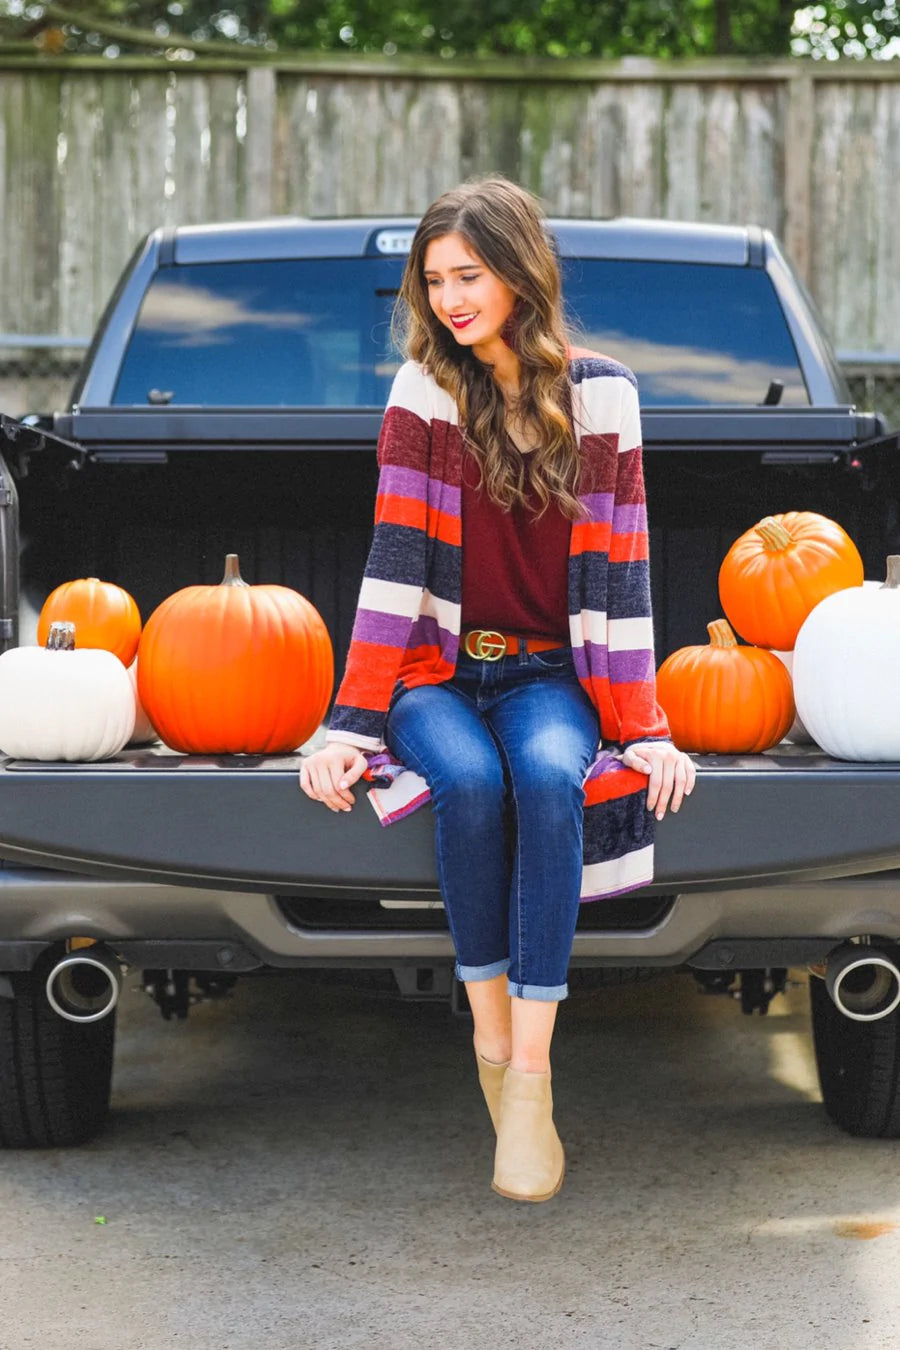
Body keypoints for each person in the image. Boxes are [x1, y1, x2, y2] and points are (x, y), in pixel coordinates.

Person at [300, 174, 695, 1203]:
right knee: (472, 788)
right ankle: (493, 1051)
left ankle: (533, 1073)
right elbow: (392, 564)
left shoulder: (603, 394)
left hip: (547, 674)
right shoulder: (422, 394)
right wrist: (347, 722)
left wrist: (644, 725)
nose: (449, 299)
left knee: (554, 779)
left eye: (468, 275)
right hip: (437, 670)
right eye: (433, 281)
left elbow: (625, 567)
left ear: (520, 270)